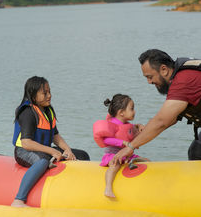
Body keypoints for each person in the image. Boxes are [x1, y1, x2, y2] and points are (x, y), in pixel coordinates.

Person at [11, 76, 90, 207]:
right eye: (45, 93)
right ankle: (19, 199)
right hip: (24, 152)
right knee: (42, 161)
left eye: (49, 92)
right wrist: (52, 151)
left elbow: (55, 136)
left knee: (82, 155)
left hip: (44, 151)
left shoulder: (47, 110)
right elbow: (26, 143)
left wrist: (67, 150)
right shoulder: (28, 112)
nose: (49, 95)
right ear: (33, 95)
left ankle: (83, 192)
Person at [112, 49, 201, 165]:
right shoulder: (179, 78)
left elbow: (161, 121)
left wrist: (131, 147)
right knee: (196, 150)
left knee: (197, 151)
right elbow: (169, 119)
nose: (149, 82)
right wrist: (137, 134)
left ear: (164, 69)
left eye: (150, 76)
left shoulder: (184, 81)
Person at [95, 94, 149, 198]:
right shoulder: (112, 125)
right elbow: (106, 139)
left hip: (127, 156)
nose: (134, 111)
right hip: (112, 155)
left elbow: (132, 129)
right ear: (121, 113)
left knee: (146, 161)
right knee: (115, 166)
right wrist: (123, 143)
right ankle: (108, 188)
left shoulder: (126, 124)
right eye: (132, 109)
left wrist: (139, 126)